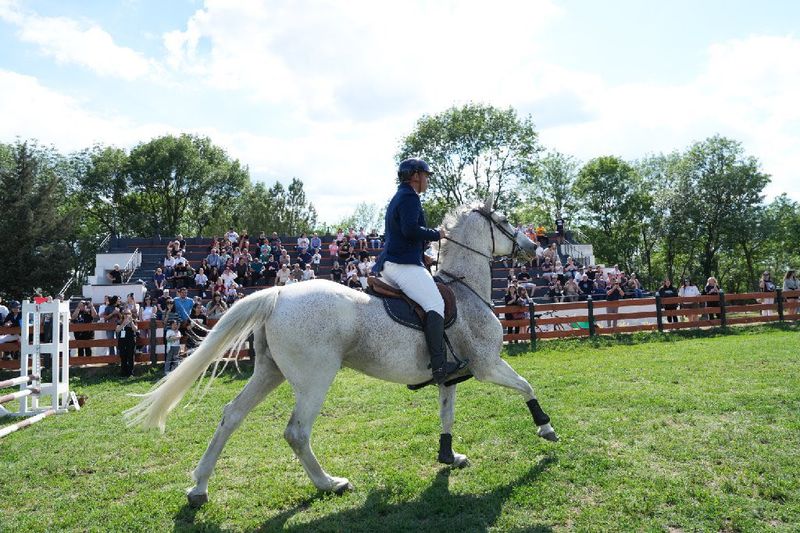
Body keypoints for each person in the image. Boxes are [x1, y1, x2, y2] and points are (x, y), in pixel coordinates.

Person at [373, 158, 461, 384]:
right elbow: (410, 230)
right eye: (426, 176)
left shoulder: (399, 197)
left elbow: (401, 235)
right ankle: (439, 367)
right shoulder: (410, 197)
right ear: (415, 176)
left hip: (394, 262)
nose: (427, 180)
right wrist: (436, 234)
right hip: (403, 266)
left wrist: (422, 255)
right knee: (435, 304)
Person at [116, 309, 138, 377]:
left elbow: (135, 329)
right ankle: (123, 373)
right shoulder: (120, 321)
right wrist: (124, 323)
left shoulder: (134, 321)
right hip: (122, 341)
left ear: (131, 314)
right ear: (123, 314)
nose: (126, 315)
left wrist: (131, 322)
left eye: (128, 313)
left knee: (131, 357)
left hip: (131, 340)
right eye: (125, 314)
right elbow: (117, 330)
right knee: (123, 357)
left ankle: (130, 373)